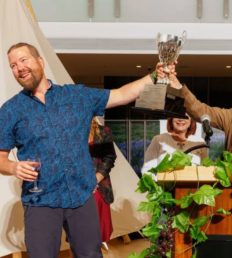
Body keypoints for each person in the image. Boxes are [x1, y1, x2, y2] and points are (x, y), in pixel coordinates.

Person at [0, 42, 169, 258]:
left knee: (90, 255)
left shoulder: (76, 96)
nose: (19, 68)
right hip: (40, 201)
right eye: (13, 65)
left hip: (81, 197)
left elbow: (121, 94)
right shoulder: (10, 110)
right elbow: (1, 159)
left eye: (23, 60)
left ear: (40, 61)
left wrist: (155, 75)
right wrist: (13, 167)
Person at [142, 115, 207, 174]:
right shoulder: (158, 139)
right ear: (171, 120)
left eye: (185, 116)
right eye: (177, 115)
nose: (181, 119)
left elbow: (205, 170)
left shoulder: (200, 142)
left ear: (191, 121)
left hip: (193, 186)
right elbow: (148, 169)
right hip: (162, 186)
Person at [89, 116, 116, 249]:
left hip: (99, 185)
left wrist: (96, 179)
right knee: (78, 235)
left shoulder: (103, 131)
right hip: (77, 186)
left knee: (98, 234)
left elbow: (110, 157)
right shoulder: (68, 130)